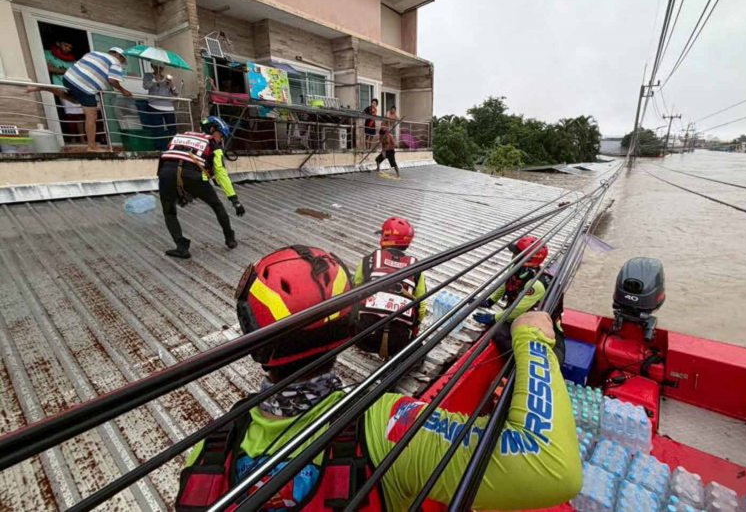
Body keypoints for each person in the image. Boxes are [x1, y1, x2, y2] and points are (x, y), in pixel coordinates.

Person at [175, 245, 581, 511]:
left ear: (253, 344)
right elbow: (550, 465)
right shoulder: (386, 426)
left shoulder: (211, 448)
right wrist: (533, 338)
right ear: (351, 328)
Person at [157, 116, 246, 259]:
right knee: (217, 205)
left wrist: (172, 188)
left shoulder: (181, 136)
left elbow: (166, 156)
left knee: (169, 212)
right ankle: (230, 239)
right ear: (212, 129)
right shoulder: (213, 144)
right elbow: (221, 174)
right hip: (193, 176)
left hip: (166, 173)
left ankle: (181, 247)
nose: (221, 139)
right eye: (221, 135)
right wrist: (234, 199)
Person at [472, 236, 566, 363]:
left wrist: (493, 318)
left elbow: (518, 311)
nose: (513, 256)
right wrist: (490, 301)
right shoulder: (517, 268)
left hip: (539, 325)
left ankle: (516, 363)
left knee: (497, 332)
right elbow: (506, 284)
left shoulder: (536, 284)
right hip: (522, 313)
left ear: (527, 259)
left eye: (516, 253)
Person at [28, 46, 132, 152]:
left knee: (75, 100)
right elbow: (112, 81)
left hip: (68, 78)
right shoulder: (115, 62)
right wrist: (123, 91)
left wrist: (99, 84)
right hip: (85, 87)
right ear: (119, 56)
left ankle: (47, 87)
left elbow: (85, 68)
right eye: (123, 60)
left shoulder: (94, 53)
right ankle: (92, 147)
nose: (122, 62)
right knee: (92, 115)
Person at [353, 217, 427, 359]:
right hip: (397, 344)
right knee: (418, 348)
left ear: (386, 237)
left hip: (362, 338)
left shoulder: (369, 260)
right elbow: (422, 306)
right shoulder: (416, 267)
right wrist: (415, 327)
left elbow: (354, 290)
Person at [43, 41, 84, 144]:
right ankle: (73, 139)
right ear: (58, 43)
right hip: (60, 87)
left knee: (79, 114)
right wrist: (68, 71)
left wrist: (60, 70)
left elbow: (79, 73)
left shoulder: (72, 59)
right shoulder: (48, 54)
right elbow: (50, 69)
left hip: (74, 88)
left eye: (70, 47)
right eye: (66, 45)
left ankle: (82, 139)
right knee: (69, 114)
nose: (68, 49)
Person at [142, 62, 179, 151]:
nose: (159, 69)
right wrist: (156, 81)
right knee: (158, 129)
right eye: (156, 67)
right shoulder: (148, 75)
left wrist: (171, 84)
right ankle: (160, 148)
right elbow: (146, 86)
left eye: (161, 67)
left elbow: (176, 93)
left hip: (168, 107)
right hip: (154, 106)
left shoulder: (166, 78)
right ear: (152, 66)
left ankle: (173, 147)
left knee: (172, 129)